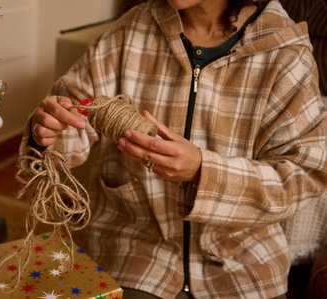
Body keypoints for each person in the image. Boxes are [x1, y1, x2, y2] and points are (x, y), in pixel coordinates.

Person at [21, 0, 327, 298]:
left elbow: (305, 175)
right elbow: (71, 122)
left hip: (244, 266)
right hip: (134, 251)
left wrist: (203, 172)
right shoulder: (129, 31)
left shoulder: (285, 53)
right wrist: (48, 133)